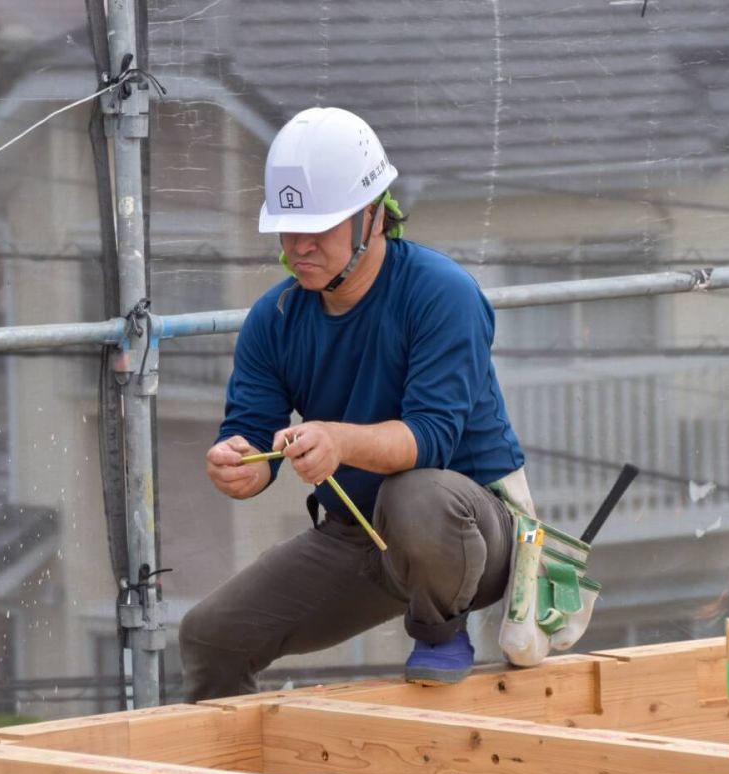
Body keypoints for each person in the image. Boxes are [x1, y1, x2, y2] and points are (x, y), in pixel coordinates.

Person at [180, 107, 533, 702]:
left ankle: (441, 630)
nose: (300, 246)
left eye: (319, 227)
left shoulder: (441, 293)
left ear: (373, 215)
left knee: (416, 493)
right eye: (289, 230)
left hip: (475, 533)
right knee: (212, 637)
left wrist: (338, 441)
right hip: (361, 535)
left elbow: (430, 439)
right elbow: (252, 435)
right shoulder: (275, 318)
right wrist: (239, 463)